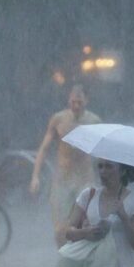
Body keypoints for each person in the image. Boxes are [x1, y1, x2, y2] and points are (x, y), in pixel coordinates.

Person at [30, 84, 102, 247]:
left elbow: (102, 153)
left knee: (85, 224)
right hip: (62, 180)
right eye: (73, 102)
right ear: (68, 101)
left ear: (86, 101)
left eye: (80, 102)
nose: (76, 106)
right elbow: (44, 149)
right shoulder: (59, 119)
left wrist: (110, 180)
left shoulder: (94, 121)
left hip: (85, 179)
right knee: (60, 229)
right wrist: (35, 176)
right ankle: (65, 256)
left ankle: (81, 259)